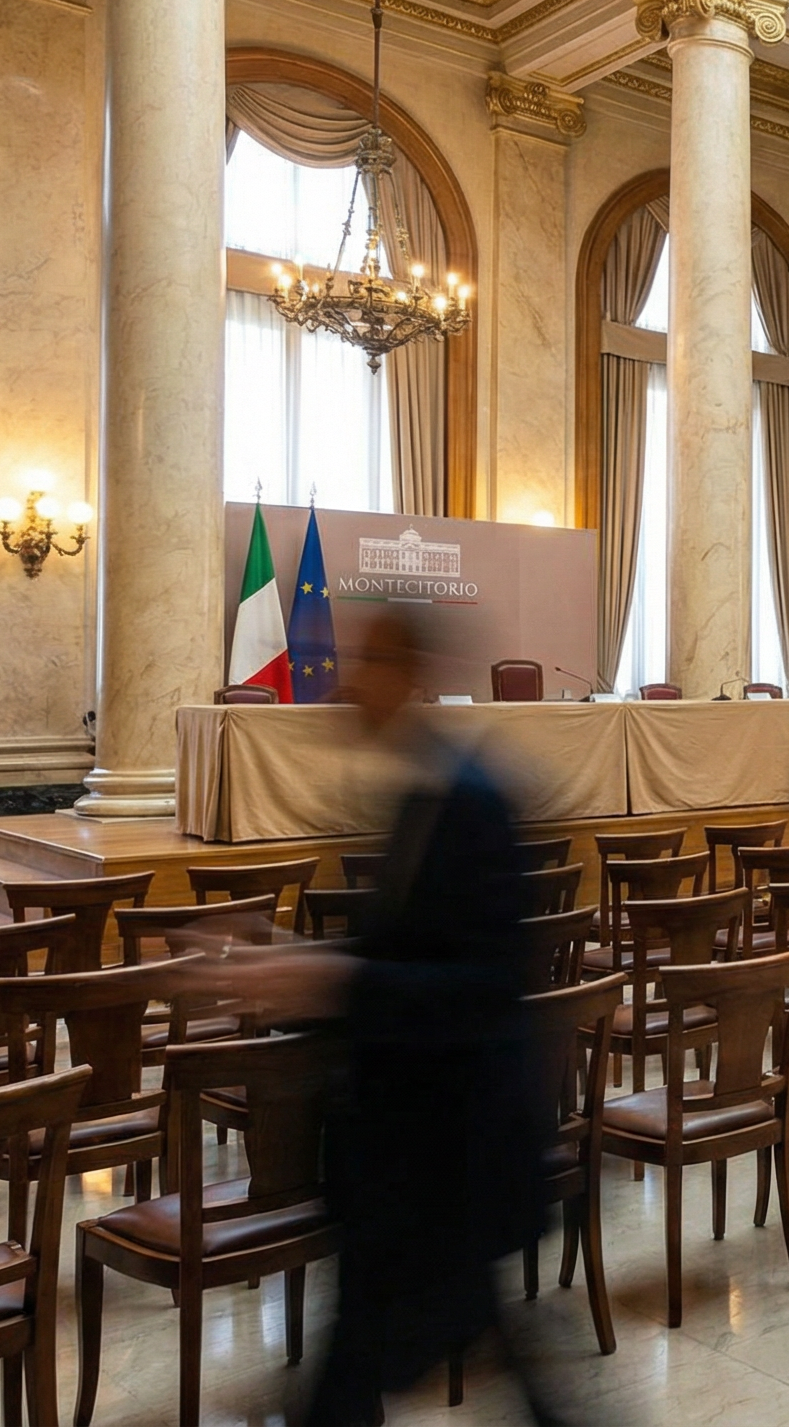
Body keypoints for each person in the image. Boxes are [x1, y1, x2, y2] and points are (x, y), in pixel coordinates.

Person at [224, 606, 561, 1424]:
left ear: (410, 675)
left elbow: (484, 985)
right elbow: (407, 953)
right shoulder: (423, 791)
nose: (349, 683)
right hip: (411, 1145)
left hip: (450, 1145)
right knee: (412, 1364)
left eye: (370, 662)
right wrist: (299, 964)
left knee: (372, 1369)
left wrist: (333, 979)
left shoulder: (470, 799)